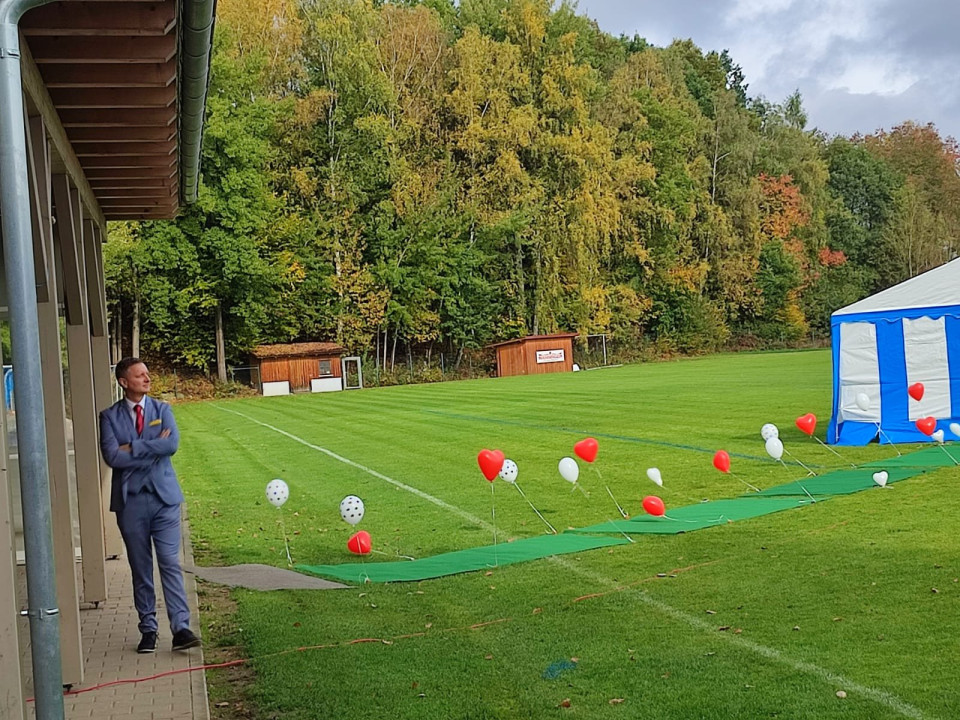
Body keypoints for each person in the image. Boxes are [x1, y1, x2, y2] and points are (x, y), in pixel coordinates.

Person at [99, 357, 201, 653]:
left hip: (164, 500)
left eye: (147, 374)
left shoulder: (162, 410)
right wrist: (153, 447)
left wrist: (133, 446)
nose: (147, 378)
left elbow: (171, 445)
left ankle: (181, 628)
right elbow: (112, 457)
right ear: (123, 382)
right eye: (140, 375)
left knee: (169, 562)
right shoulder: (109, 417)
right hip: (130, 503)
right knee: (141, 568)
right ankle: (148, 629)